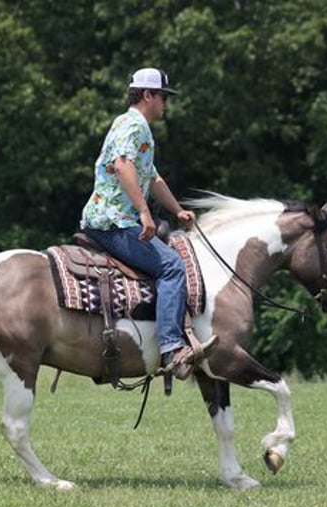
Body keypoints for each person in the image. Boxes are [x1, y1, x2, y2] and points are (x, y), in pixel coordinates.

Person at [79, 67, 217, 379]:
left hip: (107, 218)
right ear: (147, 96)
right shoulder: (135, 125)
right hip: (114, 222)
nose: (165, 104)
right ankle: (172, 348)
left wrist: (177, 209)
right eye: (163, 97)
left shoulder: (128, 125)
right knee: (171, 266)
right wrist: (144, 212)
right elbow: (123, 165)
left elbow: (152, 178)